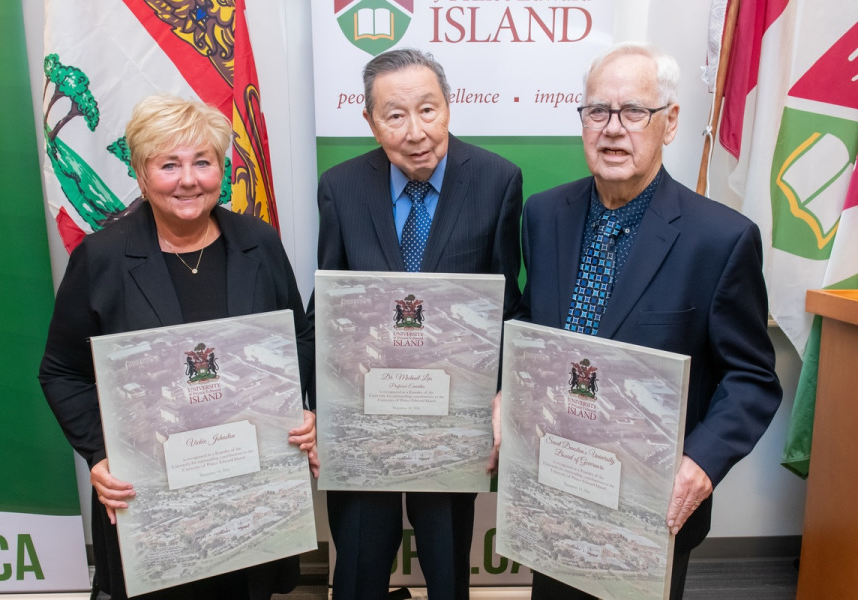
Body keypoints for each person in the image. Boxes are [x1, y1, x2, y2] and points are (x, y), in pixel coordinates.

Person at [498, 42, 783, 599]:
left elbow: (751, 378)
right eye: (597, 112)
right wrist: (509, 386)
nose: (612, 129)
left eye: (634, 112)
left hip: (647, 502)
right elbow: (532, 320)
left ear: (669, 122)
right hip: (551, 484)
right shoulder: (544, 215)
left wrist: (700, 461)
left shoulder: (721, 240)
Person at [39, 95, 318, 600]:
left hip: (247, 490)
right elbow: (62, 371)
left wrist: (295, 411)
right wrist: (101, 455)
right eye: (169, 164)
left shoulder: (258, 242)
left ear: (221, 170)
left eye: (203, 162)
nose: (188, 179)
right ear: (143, 176)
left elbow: (296, 337)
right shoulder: (101, 258)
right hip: (151, 495)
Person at [315, 48, 523, 600]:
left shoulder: (499, 182)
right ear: (370, 122)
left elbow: (507, 306)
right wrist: (320, 408)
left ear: (449, 107)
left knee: (447, 571)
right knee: (358, 570)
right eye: (396, 116)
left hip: (453, 421)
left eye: (428, 110)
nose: (416, 132)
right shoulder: (341, 188)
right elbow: (327, 309)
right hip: (364, 421)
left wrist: (500, 395)